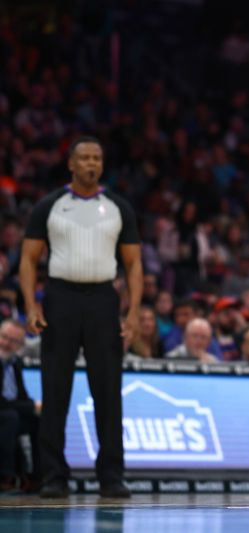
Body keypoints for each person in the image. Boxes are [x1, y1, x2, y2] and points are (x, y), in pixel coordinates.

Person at [19, 136, 142, 499]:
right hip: (60, 297)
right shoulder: (50, 205)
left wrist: (133, 313)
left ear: (102, 165)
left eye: (97, 158)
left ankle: (111, 476)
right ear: (71, 164)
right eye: (84, 158)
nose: (91, 163)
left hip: (104, 299)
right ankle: (54, 476)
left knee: (108, 391)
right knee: (55, 389)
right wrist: (30, 304)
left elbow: (134, 265)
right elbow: (28, 259)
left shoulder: (118, 207)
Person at [0, 319, 40, 492]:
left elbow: (21, 395)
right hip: (5, 414)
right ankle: (5, 475)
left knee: (40, 420)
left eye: (14, 341)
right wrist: (31, 406)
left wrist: (35, 407)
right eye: (4, 337)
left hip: (10, 413)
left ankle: (39, 476)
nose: (7, 344)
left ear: (21, 345)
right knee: (11, 417)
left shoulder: (15, 363)